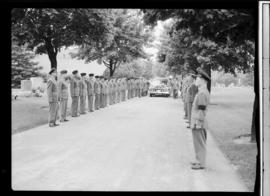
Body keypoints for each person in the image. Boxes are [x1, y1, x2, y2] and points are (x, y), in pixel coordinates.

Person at [190, 67, 211, 170]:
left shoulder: (202, 92)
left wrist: (198, 122)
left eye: (197, 78)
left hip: (199, 122)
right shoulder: (202, 91)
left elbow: (201, 109)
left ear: (202, 80)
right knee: (197, 142)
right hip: (198, 121)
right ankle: (198, 160)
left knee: (200, 143)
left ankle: (201, 163)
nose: (195, 80)